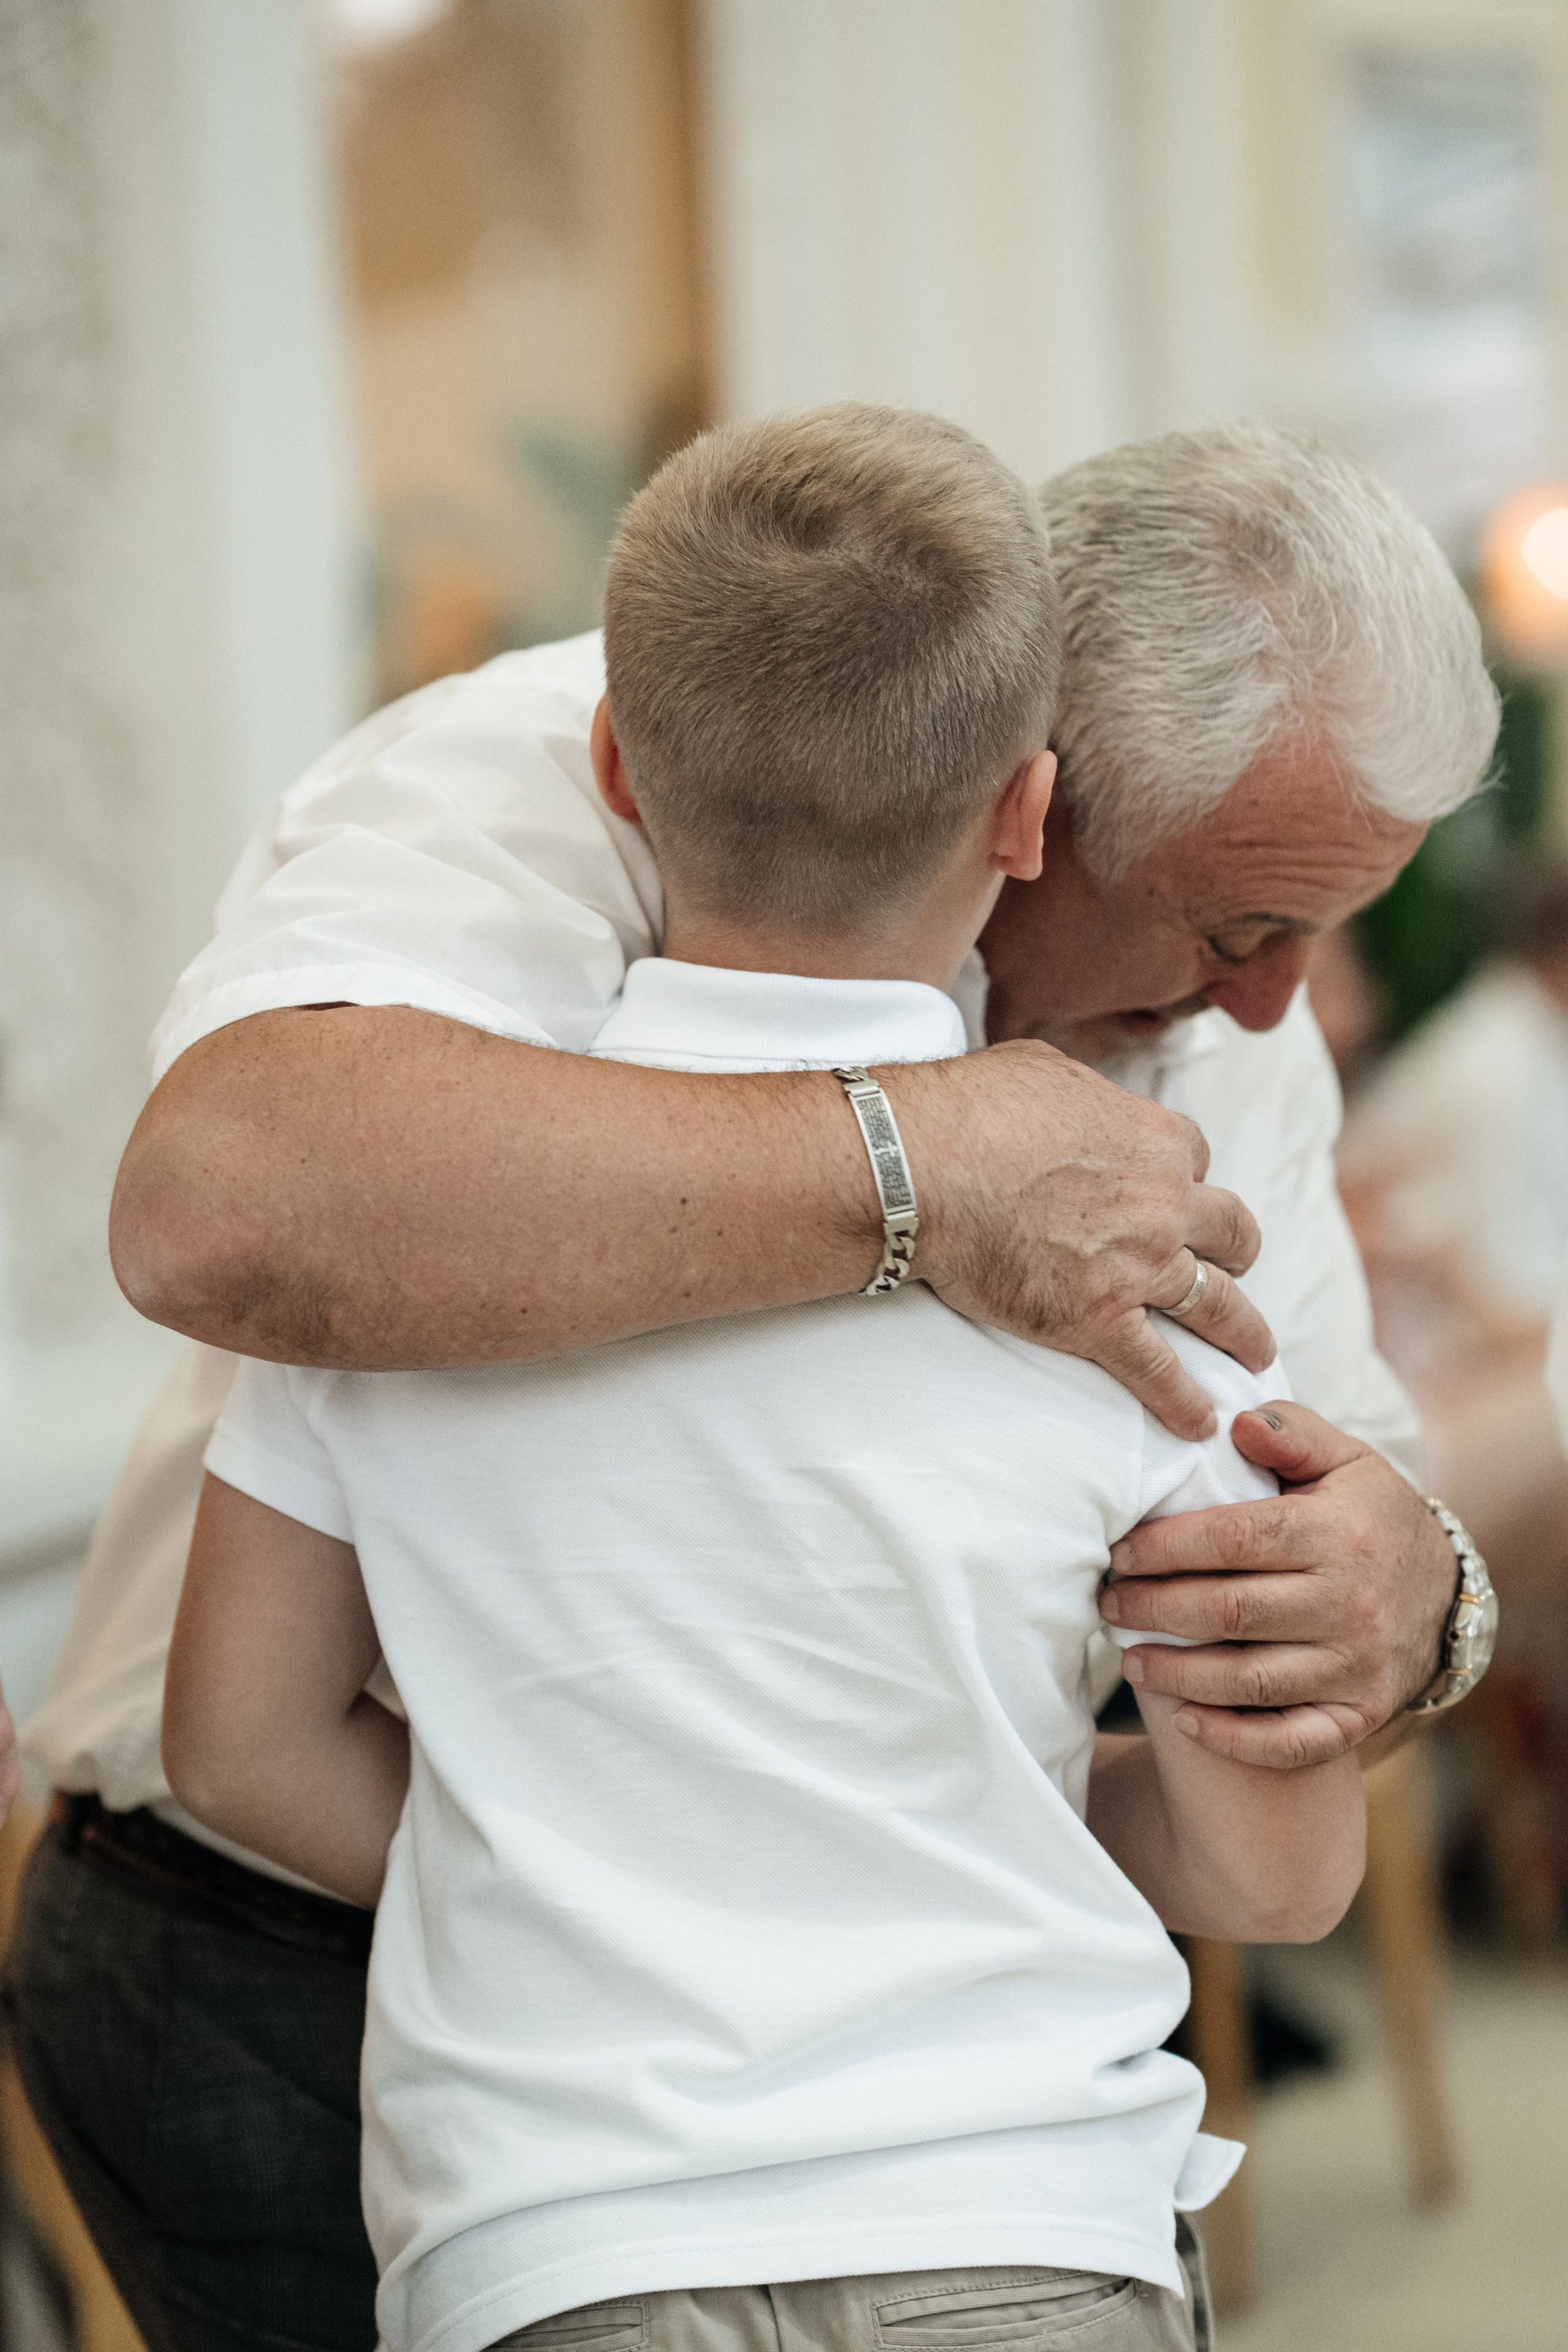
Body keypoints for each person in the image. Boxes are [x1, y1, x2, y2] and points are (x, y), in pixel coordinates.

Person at [6, 421, 1498, 2352]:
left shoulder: (1214, 1055)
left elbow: (1352, 1514)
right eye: (1234, 928)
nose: (1276, 1010)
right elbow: (230, 1205)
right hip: (286, 1976)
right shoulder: (571, 758)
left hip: (626, 2109)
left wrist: (1418, 1607)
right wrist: (918, 1171)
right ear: (1037, 794)